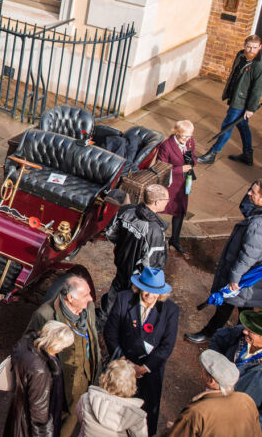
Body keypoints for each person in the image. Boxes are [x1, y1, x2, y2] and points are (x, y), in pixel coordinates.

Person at [102, 267, 179, 435]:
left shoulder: (171, 310)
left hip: (150, 372)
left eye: (155, 292)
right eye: (146, 290)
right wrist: (125, 363)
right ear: (139, 287)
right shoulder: (123, 299)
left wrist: (144, 368)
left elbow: (167, 346)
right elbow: (110, 332)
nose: (150, 295)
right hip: (122, 366)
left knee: (146, 413)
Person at [25, 275, 101, 436]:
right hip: (58, 385)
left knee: (72, 420)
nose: (91, 298)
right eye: (85, 295)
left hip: (84, 381)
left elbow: (93, 340)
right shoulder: (44, 315)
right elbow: (27, 348)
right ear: (70, 298)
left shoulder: (88, 308)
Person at [187, 181, 262, 343]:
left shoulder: (258, 224)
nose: (249, 193)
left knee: (230, 306)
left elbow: (248, 256)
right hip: (249, 281)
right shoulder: (257, 216)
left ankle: (213, 334)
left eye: (254, 192)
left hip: (243, 278)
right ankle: (228, 338)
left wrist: (234, 278)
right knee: (240, 309)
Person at [100, 184, 169, 319]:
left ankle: (102, 321)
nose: (168, 202)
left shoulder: (126, 211)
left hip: (122, 267)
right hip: (138, 279)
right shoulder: (155, 230)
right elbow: (153, 265)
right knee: (131, 309)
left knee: (112, 299)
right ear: (157, 202)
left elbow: (110, 233)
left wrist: (122, 247)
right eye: (167, 200)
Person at [199, 35, 262, 165]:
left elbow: (257, 89)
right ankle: (247, 154)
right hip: (234, 96)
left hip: (241, 101)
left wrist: (250, 108)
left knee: (227, 126)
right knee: (242, 125)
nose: (251, 50)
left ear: (260, 47)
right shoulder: (240, 55)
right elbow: (234, 75)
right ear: (244, 45)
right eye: (249, 47)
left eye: (255, 47)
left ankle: (212, 153)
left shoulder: (258, 65)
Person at [167, 350, 261, 436]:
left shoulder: (196, 411)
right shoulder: (247, 400)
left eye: (203, 370)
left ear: (211, 381)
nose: (201, 372)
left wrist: (175, 428)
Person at [5, 321, 75, 437]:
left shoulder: (26, 347)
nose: (62, 350)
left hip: (18, 412)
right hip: (26, 426)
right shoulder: (41, 370)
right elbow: (39, 413)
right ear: (55, 344)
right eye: (63, 346)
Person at [209, 310, 262, 429]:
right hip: (213, 401)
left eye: (251, 331)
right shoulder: (240, 334)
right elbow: (218, 338)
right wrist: (215, 368)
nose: (245, 331)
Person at [73, 359, 148, 437]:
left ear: (105, 378)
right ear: (132, 385)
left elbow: (80, 418)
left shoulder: (86, 398)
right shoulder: (137, 416)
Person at [157, 120, 196, 255]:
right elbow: (161, 168)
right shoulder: (166, 146)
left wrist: (192, 162)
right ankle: (154, 238)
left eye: (189, 136)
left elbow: (193, 156)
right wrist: (180, 169)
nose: (186, 139)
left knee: (180, 211)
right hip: (170, 184)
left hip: (183, 183)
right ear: (176, 132)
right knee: (159, 208)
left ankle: (175, 240)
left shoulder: (190, 142)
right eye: (184, 136)